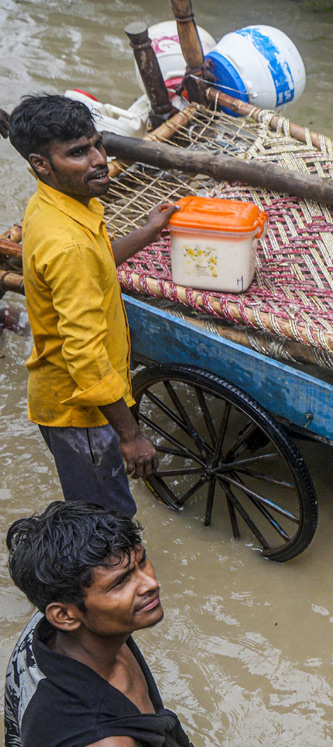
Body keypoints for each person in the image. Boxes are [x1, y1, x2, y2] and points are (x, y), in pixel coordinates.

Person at [3, 501, 202, 747]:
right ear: (65, 615)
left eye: (142, 563)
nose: (149, 583)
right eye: (120, 583)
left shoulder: (51, 633)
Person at [6, 94, 176, 518]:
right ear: (41, 164)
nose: (99, 159)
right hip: (79, 412)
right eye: (78, 153)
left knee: (102, 513)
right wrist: (131, 434)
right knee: (108, 522)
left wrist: (148, 232)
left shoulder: (54, 204)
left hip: (67, 395)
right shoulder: (67, 245)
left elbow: (96, 258)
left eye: (98, 144)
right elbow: (84, 356)